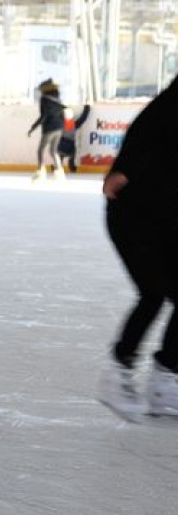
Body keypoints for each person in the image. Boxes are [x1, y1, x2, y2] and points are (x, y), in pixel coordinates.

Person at [98, 77, 178, 420]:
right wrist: (123, 169)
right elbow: (145, 131)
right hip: (133, 213)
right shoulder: (173, 103)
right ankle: (118, 372)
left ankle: (164, 380)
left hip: (167, 220)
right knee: (153, 292)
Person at [27, 78, 65, 181]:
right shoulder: (58, 99)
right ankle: (60, 173)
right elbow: (63, 114)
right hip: (59, 128)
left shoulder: (44, 99)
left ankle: (40, 172)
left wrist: (33, 127)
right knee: (53, 151)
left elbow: (43, 116)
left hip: (49, 128)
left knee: (40, 150)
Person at [58, 104, 90, 173]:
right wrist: (87, 108)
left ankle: (57, 166)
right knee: (72, 155)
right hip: (70, 144)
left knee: (60, 154)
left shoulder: (60, 123)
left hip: (61, 143)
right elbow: (83, 118)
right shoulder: (74, 124)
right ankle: (72, 167)